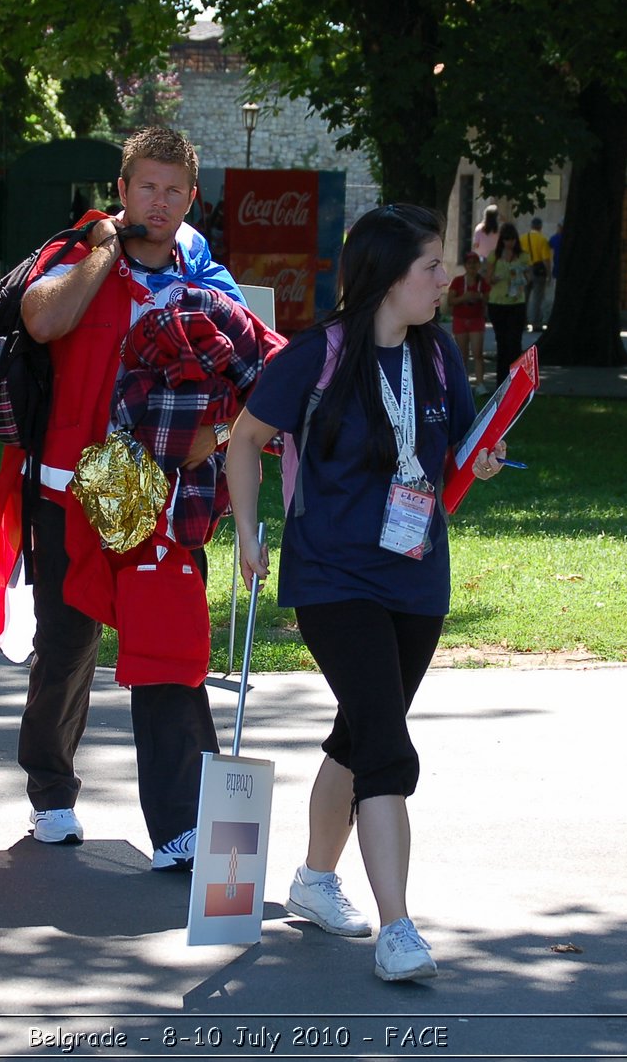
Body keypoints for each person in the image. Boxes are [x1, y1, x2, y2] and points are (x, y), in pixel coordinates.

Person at [224, 203, 512, 982]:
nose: (443, 279)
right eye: (429, 267)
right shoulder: (316, 354)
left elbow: (447, 456)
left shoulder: (438, 352)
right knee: (386, 746)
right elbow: (245, 441)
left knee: (359, 732)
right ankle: (399, 929)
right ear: (387, 276)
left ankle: (315, 881)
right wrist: (249, 532)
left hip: (416, 576)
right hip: (331, 577)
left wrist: (478, 461)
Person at [10, 126, 245, 869]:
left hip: (168, 501)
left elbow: (256, 367)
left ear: (192, 197)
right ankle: (51, 791)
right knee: (67, 649)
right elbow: (42, 319)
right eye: (147, 186)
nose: (160, 201)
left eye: (174, 189)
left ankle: (180, 830)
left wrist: (214, 435)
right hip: (71, 493)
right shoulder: (80, 253)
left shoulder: (205, 272)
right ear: (123, 190)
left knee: (170, 657)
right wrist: (106, 251)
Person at [484, 224, 529, 384]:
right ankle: (501, 381)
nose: (509, 243)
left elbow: (527, 277)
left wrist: (519, 274)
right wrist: (494, 278)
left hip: (517, 302)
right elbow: (488, 279)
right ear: (501, 241)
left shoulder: (523, 256)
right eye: (506, 239)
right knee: (502, 342)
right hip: (498, 302)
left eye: (511, 239)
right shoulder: (494, 256)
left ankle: (517, 379)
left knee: (515, 342)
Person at [446, 251, 489, 393]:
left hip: (476, 319)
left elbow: (487, 300)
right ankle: (463, 384)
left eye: (475, 263)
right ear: (465, 265)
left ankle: (480, 383)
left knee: (478, 353)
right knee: (462, 354)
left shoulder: (482, 282)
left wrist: (479, 297)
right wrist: (465, 297)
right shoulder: (458, 281)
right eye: (469, 263)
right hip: (460, 319)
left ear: (479, 265)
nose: (472, 266)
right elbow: (450, 301)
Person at [521, 217, 553, 331]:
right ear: (540, 227)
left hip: (524, 270)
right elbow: (546, 259)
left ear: (531, 226)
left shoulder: (523, 238)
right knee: (537, 298)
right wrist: (549, 274)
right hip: (538, 271)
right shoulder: (543, 239)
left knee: (523, 297)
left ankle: (522, 322)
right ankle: (535, 323)